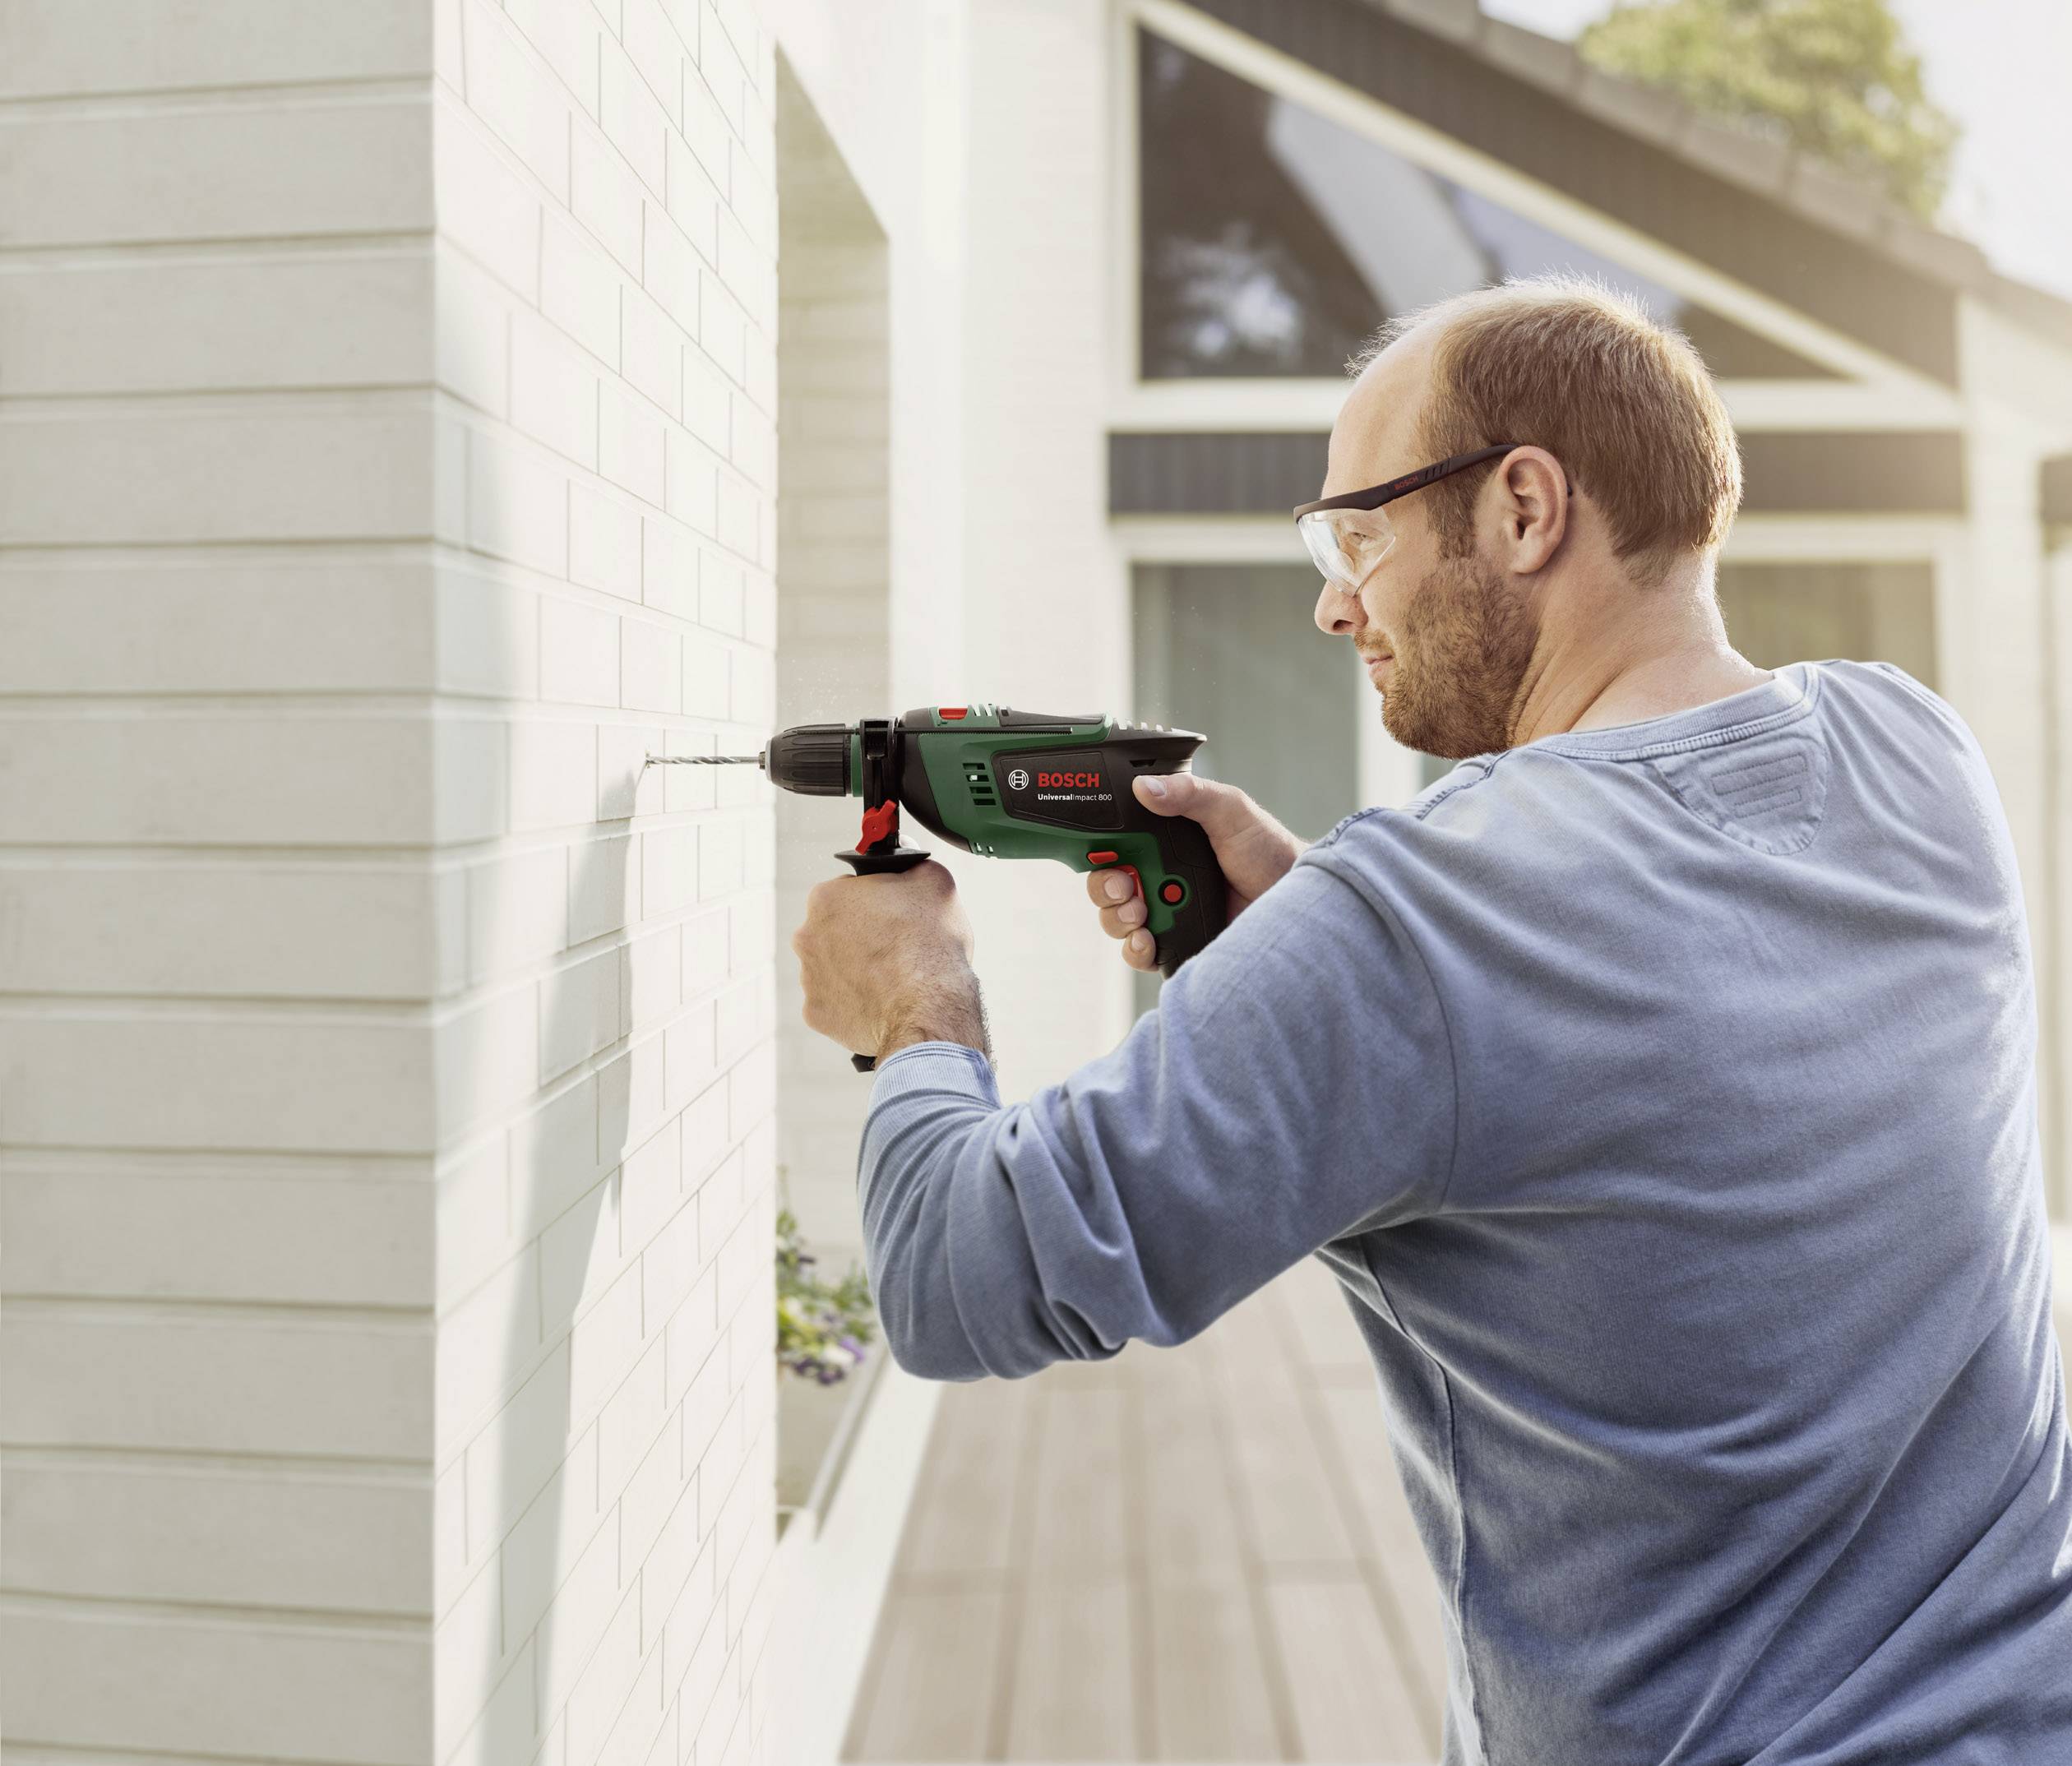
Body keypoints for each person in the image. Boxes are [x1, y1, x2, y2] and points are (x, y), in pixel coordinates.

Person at [789, 275, 2072, 1764]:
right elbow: (1650, 1032)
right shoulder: (1916, 751)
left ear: (1526, 509)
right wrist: (1321, 939)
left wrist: (913, 1007)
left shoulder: (1419, 925)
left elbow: (959, 1275)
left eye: (1363, 534)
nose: (1337, 601)